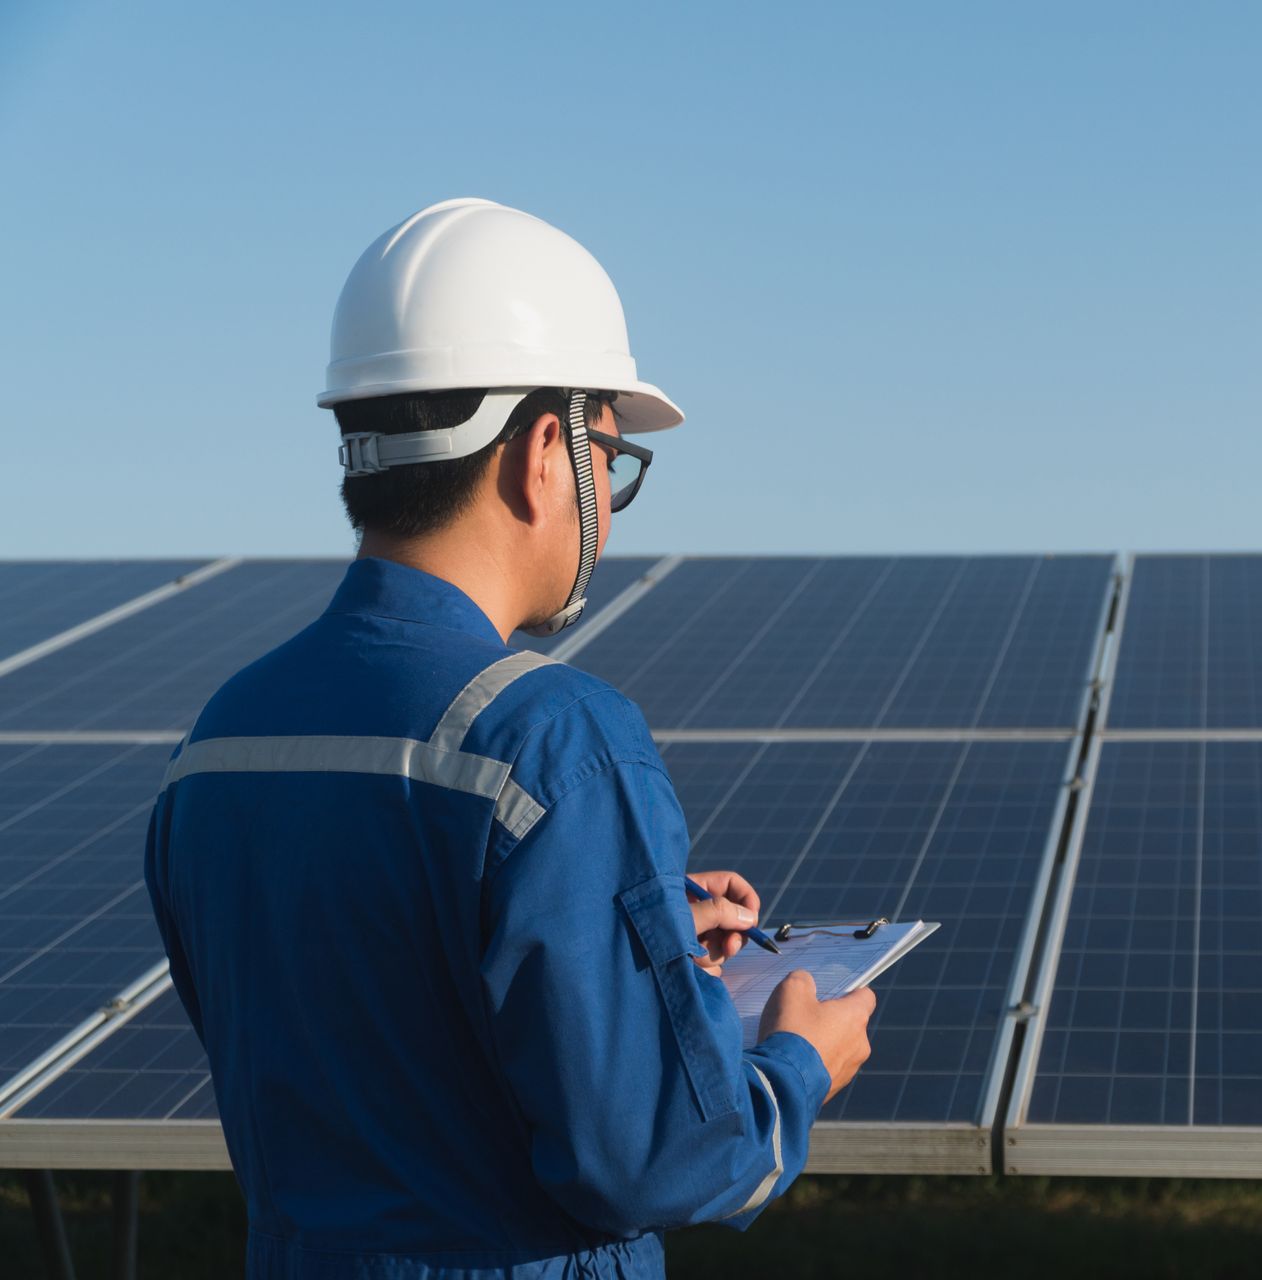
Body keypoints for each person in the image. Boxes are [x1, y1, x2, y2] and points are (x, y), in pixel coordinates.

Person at [144, 198, 875, 1278]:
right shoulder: (553, 741)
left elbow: (377, 1019)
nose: (612, 508)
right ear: (546, 451)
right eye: (614, 461)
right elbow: (657, 1159)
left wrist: (635, 939)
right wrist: (797, 1068)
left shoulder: (221, 740)